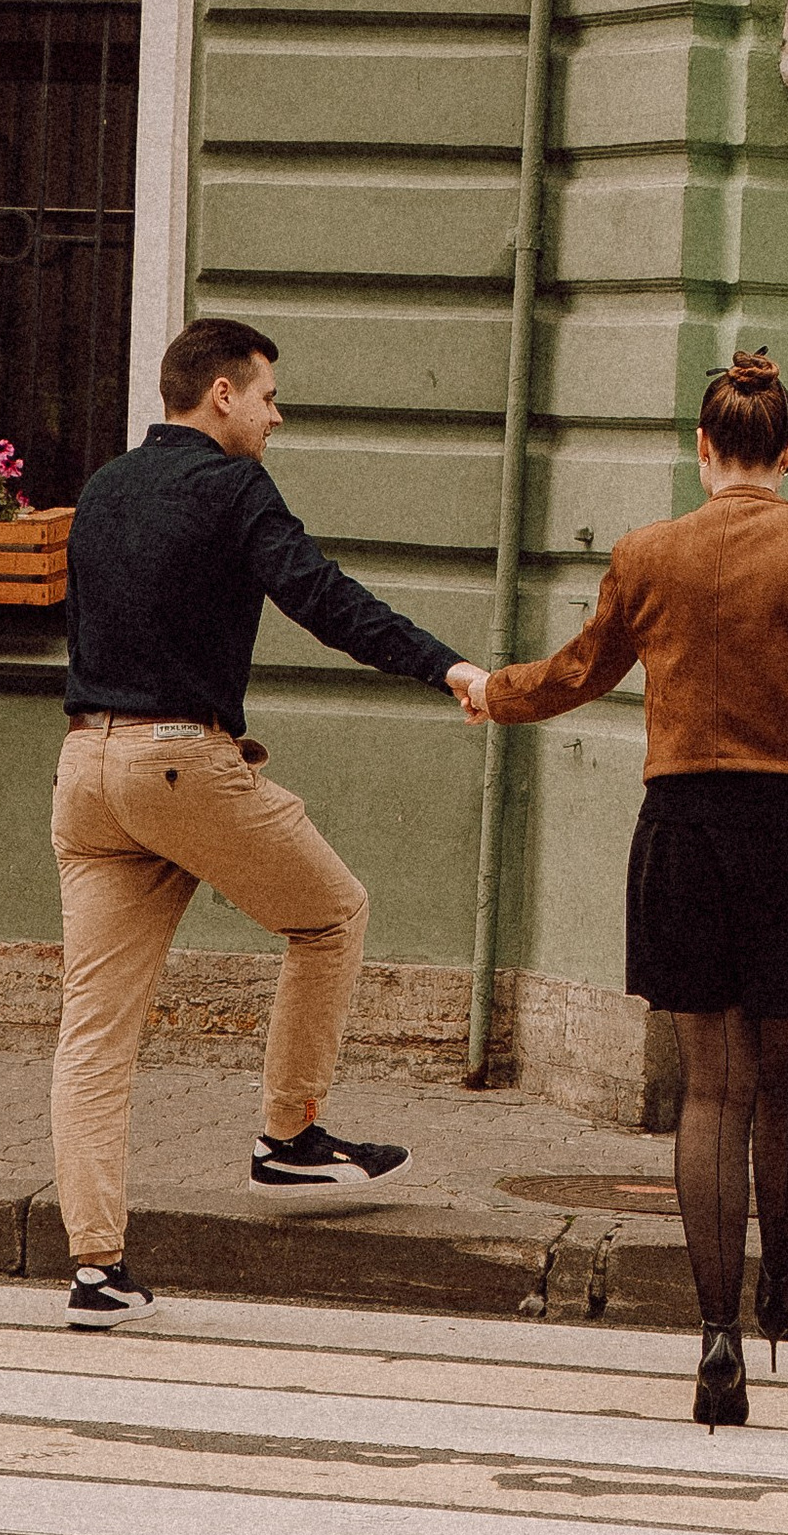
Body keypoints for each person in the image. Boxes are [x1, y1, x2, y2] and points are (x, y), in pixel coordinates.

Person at [476, 351, 788, 1427]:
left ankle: (714, 1335)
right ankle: (783, 1291)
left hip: (693, 834)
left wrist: (494, 693)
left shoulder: (648, 553)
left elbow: (578, 672)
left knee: (714, 1087)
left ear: (702, 450)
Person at [52, 316, 486, 1325]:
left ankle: (94, 1272)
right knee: (329, 915)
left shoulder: (107, 486)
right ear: (220, 396)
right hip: (175, 760)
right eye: (269, 397)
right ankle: (289, 1142)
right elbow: (320, 596)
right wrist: (446, 665)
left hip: (85, 766)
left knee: (95, 1033)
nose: (277, 417)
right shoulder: (232, 485)